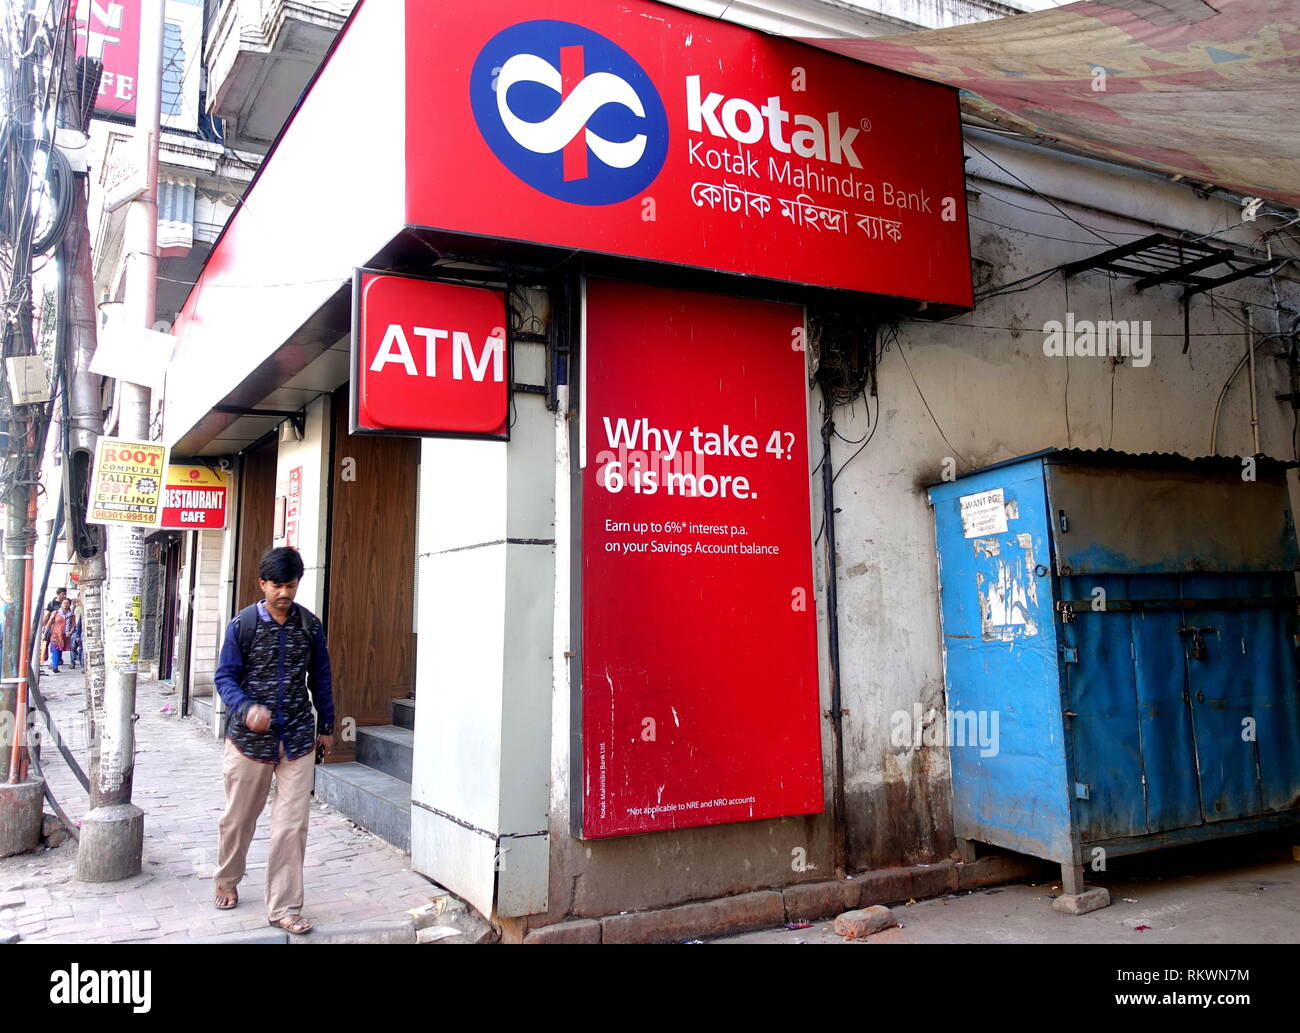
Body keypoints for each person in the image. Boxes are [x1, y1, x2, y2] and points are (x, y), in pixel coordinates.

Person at [212, 547, 335, 935]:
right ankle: (227, 879)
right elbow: (224, 678)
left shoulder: (310, 627)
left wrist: (326, 726)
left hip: (297, 736)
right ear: (262, 584)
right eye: (276, 585)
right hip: (249, 741)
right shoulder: (242, 626)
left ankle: (284, 906)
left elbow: (321, 679)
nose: (284, 592)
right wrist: (246, 707)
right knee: (239, 819)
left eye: (291, 585)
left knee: (291, 826)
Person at [40, 587, 67, 665]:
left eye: (65, 594)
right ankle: (47, 657)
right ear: (58, 594)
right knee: (48, 641)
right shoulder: (52, 603)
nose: (64, 596)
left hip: (62, 628)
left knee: (60, 643)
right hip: (52, 626)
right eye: (62, 594)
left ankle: (58, 658)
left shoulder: (66, 603)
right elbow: (47, 615)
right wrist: (44, 625)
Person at [46, 597, 73, 674]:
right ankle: (55, 666)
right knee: (55, 650)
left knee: (60, 650)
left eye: (67, 603)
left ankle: (56, 664)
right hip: (55, 635)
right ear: (61, 604)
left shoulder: (71, 615)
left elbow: (73, 625)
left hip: (65, 635)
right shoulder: (56, 613)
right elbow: (50, 622)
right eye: (64, 603)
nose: (66, 605)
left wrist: (70, 632)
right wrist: (46, 632)